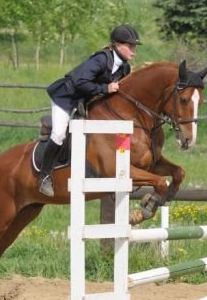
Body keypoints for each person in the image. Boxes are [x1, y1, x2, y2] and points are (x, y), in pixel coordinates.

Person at [37, 24, 142, 196]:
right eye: (130, 46)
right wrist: (105, 89)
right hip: (66, 97)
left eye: (134, 47)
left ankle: (114, 174)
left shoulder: (125, 68)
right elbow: (81, 83)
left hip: (85, 101)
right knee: (59, 134)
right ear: (117, 45)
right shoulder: (101, 59)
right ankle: (44, 176)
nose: (134, 51)